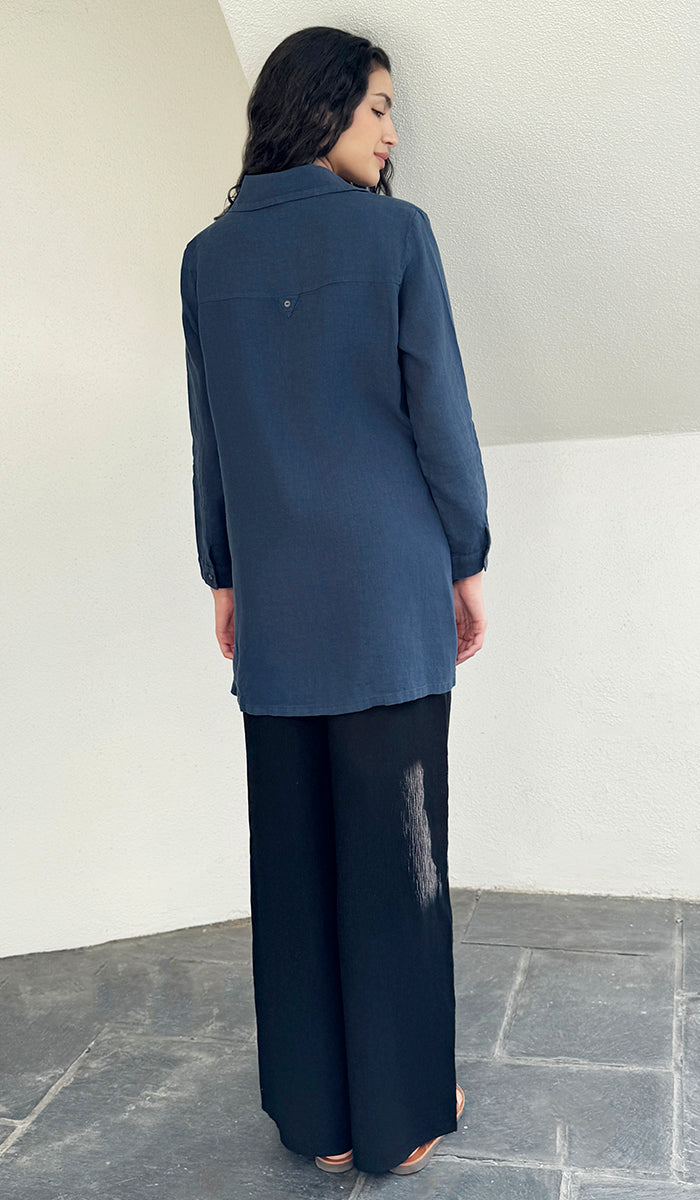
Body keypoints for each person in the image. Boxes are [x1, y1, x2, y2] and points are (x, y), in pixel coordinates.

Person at [180, 25, 491, 1177]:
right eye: (377, 108)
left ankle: (316, 1122)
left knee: (295, 853)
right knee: (396, 854)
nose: (392, 131)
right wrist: (465, 559)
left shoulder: (205, 258)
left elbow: (212, 438)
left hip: (276, 599)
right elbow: (439, 418)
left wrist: (224, 575)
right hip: (387, 592)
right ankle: (398, 1114)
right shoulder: (396, 236)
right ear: (317, 111)